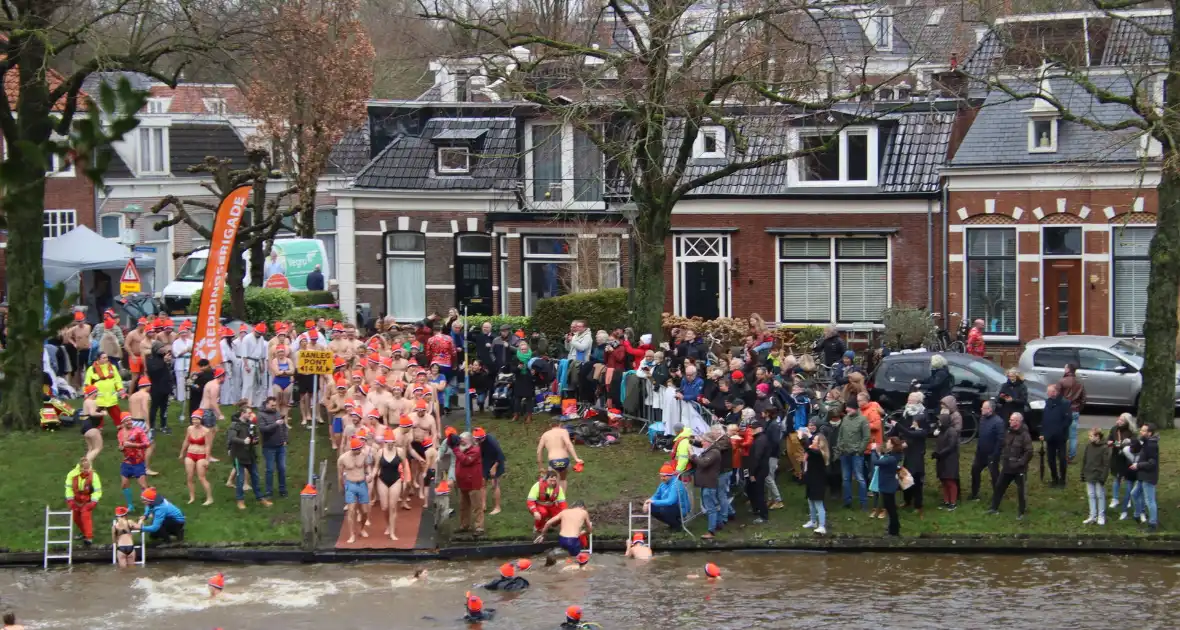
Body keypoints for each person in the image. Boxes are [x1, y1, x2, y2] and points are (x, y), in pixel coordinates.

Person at [890, 392, 930, 516]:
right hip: (905, 449)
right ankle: (907, 500)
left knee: (916, 478)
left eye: (912, 400)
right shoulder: (906, 412)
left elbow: (916, 434)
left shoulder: (922, 415)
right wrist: (892, 433)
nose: (909, 402)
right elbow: (901, 427)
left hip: (916, 450)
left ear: (918, 402)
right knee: (904, 475)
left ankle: (918, 505)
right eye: (908, 399)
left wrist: (906, 440)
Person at [988, 412, 1033, 520]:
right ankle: (994, 508)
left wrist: (1020, 463)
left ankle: (1022, 513)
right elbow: (1004, 445)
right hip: (1007, 466)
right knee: (999, 487)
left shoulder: (1025, 435)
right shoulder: (1008, 432)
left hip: (1019, 469)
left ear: (1017, 422)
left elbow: (1029, 452)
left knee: (1021, 491)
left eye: (1012, 420)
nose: (1009, 421)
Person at [228, 406, 271, 510]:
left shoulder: (251, 425)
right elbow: (232, 438)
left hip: (250, 455)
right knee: (240, 479)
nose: (251, 415)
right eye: (249, 413)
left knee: (255, 477)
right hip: (239, 456)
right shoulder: (235, 425)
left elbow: (255, 437)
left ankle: (260, 498)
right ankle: (240, 500)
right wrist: (243, 441)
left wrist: (255, 440)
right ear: (243, 413)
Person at [835, 399, 870, 510]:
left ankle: (863, 503)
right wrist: (840, 447)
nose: (846, 409)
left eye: (848, 407)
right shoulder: (845, 419)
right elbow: (840, 434)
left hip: (856, 454)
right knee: (846, 478)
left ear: (854, 408)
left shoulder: (863, 420)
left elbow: (866, 437)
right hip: (844, 453)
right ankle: (847, 501)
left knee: (860, 478)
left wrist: (860, 450)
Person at [691, 428, 724, 539]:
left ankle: (711, 531)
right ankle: (719, 524)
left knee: (710, 507)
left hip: (709, 484)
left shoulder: (714, 452)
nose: (702, 443)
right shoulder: (709, 451)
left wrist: (692, 456)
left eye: (704, 441)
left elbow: (703, 463)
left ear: (709, 442)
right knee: (712, 505)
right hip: (706, 483)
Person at [537, 417, 582, 494]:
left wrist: (540, 467)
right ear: (560, 424)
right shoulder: (564, 431)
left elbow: (539, 451)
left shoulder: (545, 435)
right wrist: (576, 458)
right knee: (563, 480)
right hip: (564, 461)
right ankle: (562, 500)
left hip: (553, 461)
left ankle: (555, 500)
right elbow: (568, 444)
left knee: (553, 482)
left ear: (550, 425)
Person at [338, 437, 371, 543]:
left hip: (362, 484)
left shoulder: (364, 455)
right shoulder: (343, 458)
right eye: (358, 449)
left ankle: (361, 529)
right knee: (351, 510)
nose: (360, 450)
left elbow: (367, 467)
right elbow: (339, 475)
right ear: (353, 449)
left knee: (365, 511)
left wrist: (369, 474)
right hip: (350, 485)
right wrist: (341, 487)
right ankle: (352, 534)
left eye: (361, 448)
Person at [970, 400, 1004, 501]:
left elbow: (1000, 440)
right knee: (975, 471)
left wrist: (995, 454)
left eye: (983, 408)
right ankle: (974, 493)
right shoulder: (982, 419)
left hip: (992, 454)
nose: (981, 409)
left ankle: (997, 496)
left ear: (989, 409)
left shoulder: (998, 422)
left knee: (994, 476)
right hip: (980, 453)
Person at [179, 410, 214, 505]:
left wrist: (207, 459)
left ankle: (209, 498)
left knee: (201, 477)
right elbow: (186, 441)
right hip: (190, 453)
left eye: (196, 419)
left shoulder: (206, 431)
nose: (194, 421)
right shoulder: (189, 429)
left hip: (201, 454)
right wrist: (182, 452)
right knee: (189, 477)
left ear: (201, 420)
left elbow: (208, 446)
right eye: (193, 419)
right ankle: (192, 497)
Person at [257, 396, 289, 500]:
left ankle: (282, 490)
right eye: (272, 405)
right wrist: (275, 424)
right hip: (268, 446)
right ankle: (268, 491)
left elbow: (284, 427)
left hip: (280, 446)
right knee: (270, 469)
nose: (274, 407)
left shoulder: (277, 413)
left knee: (282, 468)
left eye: (275, 405)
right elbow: (263, 429)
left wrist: (285, 439)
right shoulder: (261, 415)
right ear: (266, 404)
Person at [64, 457, 102, 546]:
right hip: (76, 499)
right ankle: (84, 532)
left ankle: (89, 538)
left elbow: (97, 490)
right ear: (80, 468)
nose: (87, 470)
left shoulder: (94, 476)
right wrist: (70, 500)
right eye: (84, 468)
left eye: (88, 468)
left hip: (87, 500)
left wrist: (93, 502)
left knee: (85, 515)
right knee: (75, 517)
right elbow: (68, 488)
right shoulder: (72, 475)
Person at [116, 416, 150, 513]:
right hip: (127, 461)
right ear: (123, 423)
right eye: (127, 421)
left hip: (138, 462)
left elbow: (147, 444)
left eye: (130, 420)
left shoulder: (138, 431)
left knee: (143, 486)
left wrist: (133, 445)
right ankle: (130, 506)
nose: (129, 422)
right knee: (124, 484)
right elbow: (121, 446)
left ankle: (148, 509)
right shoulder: (120, 433)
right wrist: (121, 448)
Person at [455, 431, 486, 535]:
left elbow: (466, 461)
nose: (461, 441)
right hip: (463, 483)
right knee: (464, 506)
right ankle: (464, 525)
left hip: (473, 483)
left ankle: (479, 527)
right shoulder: (461, 449)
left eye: (463, 439)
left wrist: (456, 450)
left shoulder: (475, 450)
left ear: (469, 440)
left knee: (477, 505)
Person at [1041, 384, 1071, 488]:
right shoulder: (1047, 403)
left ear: (1055, 392)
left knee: (1062, 458)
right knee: (1050, 459)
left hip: (1060, 436)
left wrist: (1059, 430)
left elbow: (1068, 420)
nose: (1047, 393)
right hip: (1050, 437)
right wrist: (1043, 433)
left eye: (1048, 391)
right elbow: (1044, 419)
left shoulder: (1064, 403)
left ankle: (1062, 480)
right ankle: (1055, 478)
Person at [932, 399, 960, 511]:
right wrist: (936, 453)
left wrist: (939, 454)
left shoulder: (952, 431)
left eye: (939, 421)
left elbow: (951, 446)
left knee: (950, 481)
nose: (938, 422)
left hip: (950, 460)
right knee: (943, 480)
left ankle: (953, 503)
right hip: (942, 460)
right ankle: (946, 501)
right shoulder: (942, 431)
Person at [1131, 423, 1159, 530]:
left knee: (1150, 500)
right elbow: (1134, 449)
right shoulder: (1146, 442)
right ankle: (1137, 514)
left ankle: (1152, 523)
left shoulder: (1152, 445)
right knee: (1134, 493)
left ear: (1149, 433)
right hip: (1142, 475)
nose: (1140, 432)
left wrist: (1138, 465)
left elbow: (1152, 463)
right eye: (1141, 430)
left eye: (1143, 431)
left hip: (1148, 477)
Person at [873, 437, 904, 536]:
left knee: (891, 509)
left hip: (888, 486)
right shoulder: (892, 455)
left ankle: (894, 531)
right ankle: (893, 527)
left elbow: (876, 462)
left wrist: (873, 450)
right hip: (887, 485)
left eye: (888, 442)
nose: (886, 443)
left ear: (892, 445)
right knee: (891, 508)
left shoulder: (891, 458)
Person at [85, 352, 125, 426]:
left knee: (116, 413)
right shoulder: (91, 369)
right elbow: (87, 382)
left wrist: (121, 389)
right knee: (97, 414)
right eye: (104, 358)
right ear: (98, 359)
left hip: (111, 396)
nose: (106, 359)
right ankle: (97, 428)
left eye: (106, 357)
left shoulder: (112, 367)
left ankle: (121, 427)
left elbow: (117, 379)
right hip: (98, 397)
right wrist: (87, 393)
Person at [1108, 413, 1137, 516]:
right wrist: (1117, 444)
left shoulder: (1131, 432)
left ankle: (1127, 499)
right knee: (1117, 478)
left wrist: (1129, 442)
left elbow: (1135, 444)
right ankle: (1115, 498)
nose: (1119, 421)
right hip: (1116, 457)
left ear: (1127, 422)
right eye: (1119, 419)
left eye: (1122, 420)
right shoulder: (1114, 429)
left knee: (1128, 480)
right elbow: (1109, 441)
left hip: (1127, 458)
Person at [1081, 427, 1111, 526]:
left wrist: (1103, 477)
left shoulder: (1104, 448)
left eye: (1091, 436)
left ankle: (1101, 516)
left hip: (1098, 475)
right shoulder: (1088, 446)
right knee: (1091, 495)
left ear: (1097, 436)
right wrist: (1083, 473)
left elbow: (1106, 464)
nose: (1089, 438)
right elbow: (1085, 460)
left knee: (1100, 495)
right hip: (1089, 473)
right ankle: (1092, 515)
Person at [645, 463, 690, 529]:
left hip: (681, 508)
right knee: (651, 507)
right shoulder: (663, 484)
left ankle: (677, 526)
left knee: (664, 509)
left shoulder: (676, 484)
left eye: (664, 476)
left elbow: (670, 501)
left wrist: (653, 501)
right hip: (670, 507)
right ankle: (672, 523)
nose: (662, 478)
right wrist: (647, 502)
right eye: (661, 476)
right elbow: (656, 496)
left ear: (670, 475)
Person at [801, 430, 829, 535]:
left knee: (818, 504)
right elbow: (807, 452)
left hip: (818, 482)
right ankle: (813, 521)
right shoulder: (812, 451)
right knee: (810, 501)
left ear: (820, 443)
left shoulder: (819, 453)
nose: (813, 440)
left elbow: (810, 450)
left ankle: (822, 526)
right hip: (811, 480)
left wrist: (808, 437)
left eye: (815, 440)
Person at [1057, 363, 1086, 462]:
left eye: (1065, 367)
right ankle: (1071, 455)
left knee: (1061, 433)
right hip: (1075, 410)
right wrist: (1078, 408)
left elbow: (1057, 396)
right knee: (1073, 435)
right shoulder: (1079, 383)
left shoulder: (1062, 381)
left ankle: (1061, 453)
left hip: (1064, 411)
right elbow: (1083, 399)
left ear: (1068, 370)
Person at [746, 419, 774, 523]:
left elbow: (757, 457)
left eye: (754, 428)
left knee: (759, 492)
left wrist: (752, 473)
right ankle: (757, 509)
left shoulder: (760, 440)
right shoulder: (759, 438)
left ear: (760, 428)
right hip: (759, 469)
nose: (752, 430)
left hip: (759, 470)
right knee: (752, 489)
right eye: (751, 428)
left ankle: (763, 515)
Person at [473, 427, 505, 516]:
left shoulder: (492, 442)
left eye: (477, 440)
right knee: (482, 483)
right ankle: (483, 505)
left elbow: (501, 456)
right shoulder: (479, 442)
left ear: (482, 438)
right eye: (475, 439)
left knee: (495, 484)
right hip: (486, 461)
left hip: (496, 462)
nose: (476, 441)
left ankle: (497, 507)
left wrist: (494, 467)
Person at [527, 470, 567, 534]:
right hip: (539, 506)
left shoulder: (558, 488)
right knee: (543, 513)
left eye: (554, 481)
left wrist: (565, 513)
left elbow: (563, 503)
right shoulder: (537, 486)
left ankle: (550, 524)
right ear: (546, 479)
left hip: (552, 506)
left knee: (561, 514)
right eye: (551, 480)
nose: (553, 483)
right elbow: (530, 501)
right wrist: (535, 511)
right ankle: (538, 528)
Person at [79, 385, 105, 463]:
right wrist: (103, 413)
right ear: (93, 393)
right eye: (96, 392)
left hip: (85, 426)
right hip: (91, 426)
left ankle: (85, 469)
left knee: (91, 448)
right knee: (98, 447)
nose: (97, 394)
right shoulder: (91, 402)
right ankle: (85, 466)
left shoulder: (86, 401)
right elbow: (92, 413)